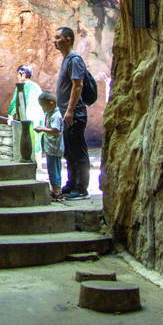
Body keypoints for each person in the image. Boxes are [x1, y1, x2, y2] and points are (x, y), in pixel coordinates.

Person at [53, 26, 91, 199]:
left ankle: (81, 189)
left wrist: (70, 111)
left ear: (68, 39)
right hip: (67, 113)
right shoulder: (67, 59)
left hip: (74, 114)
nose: (55, 41)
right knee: (69, 151)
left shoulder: (74, 59)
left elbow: (78, 85)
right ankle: (71, 183)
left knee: (78, 151)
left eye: (58, 37)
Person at [33, 91, 65, 199]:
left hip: (54, 148)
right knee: (54, 169)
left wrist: (42, 129)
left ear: (51, 103)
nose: (43, 109)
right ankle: (56, 189)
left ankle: (57, 191)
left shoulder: (56, 116)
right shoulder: (50, 114)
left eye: (44, 106)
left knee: (54, 170)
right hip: (51, 147)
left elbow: (55, 131)